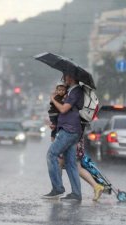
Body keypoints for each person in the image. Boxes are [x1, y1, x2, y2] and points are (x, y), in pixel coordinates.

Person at [43, 72, 84, 201]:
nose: (64, 78)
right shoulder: (71, 91)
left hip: (69, 130)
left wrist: (53, 99)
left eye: (65, 76)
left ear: (71, 77)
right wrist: (55, 125)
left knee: (51, 154)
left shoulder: (75, 91)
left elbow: (63, 109)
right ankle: (76, 194)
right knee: (71, 163)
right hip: (70, 129)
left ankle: (58, 188)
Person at [58, 136, 104, 201]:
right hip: (75, 139)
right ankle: (96, 186)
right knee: (77, 167)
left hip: (71, 139)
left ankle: (58, 189)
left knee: (59, 162)